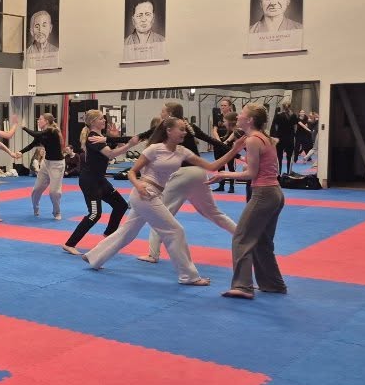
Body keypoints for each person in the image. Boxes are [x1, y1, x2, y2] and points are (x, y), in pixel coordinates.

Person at [83, 117, 244, 284]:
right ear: (169, 131)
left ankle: (94, 257)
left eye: (185, 129)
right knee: (175, 231)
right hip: (144, 194)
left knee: (127, 231)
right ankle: (188, 276)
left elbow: (211, 167)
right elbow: (132, 172)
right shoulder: (154, 149)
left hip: (154, 194)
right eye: (181, 129)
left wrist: (235, 150)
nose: (184, 132)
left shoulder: (182, 151)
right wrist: (138, 185)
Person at [134, 102, 237, 264]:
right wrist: (237, 153)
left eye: (163, 111)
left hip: (182, 175)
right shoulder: (189, 126)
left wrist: (108, 139)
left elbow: (139, 137)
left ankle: (153, 254)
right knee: (214, 212)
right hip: (199, 173)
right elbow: (213, 141)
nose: (161, 114)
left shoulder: (167, 127)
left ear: (169, 113)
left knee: (161, 213)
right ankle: (242, 235)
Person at [209, 104, 288, 299]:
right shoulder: (263, 137)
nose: (238, 116)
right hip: (274, 193)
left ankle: (243, 286)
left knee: (241, 237)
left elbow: (251, 174)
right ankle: (273, 284)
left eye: (242, 114)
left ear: (250, 120)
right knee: (262, 241)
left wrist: (224, 174)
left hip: (264, 193)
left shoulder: (253, 139)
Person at [62, 110, 135, 255]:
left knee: (121, 205)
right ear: (93, 121)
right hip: (90, 181)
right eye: (101, 118)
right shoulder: (92, 137)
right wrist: (129, 145)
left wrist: (115, 138)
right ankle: (69, 244)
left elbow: (111, 151)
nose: (104, 120)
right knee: (95, 214)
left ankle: (109, 235)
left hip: (100, 180)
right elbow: (110, 154)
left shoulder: (101, 137)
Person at [18, 113, 65, 219]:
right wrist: (20, 152)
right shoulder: (42, 134)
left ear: (46, 121)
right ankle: (35, 208)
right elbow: (32, 144)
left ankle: (57, 212)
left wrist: (24, 127)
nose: (38, 121)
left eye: (40, 119)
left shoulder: (52, 131)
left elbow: (35, 134)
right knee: (36, 190)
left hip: (57, 165)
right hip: (46, 163)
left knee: (54, 192)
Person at [213, 111, 243, 194]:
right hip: (223, 144)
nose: (223, 123)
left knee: (231, 167)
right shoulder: (237, 131)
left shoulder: (239, 131)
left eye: (225, 121)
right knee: (220, 166)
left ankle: (231, 186)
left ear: (230, 122)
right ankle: (221, 185)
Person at [270, 102, 298, 174]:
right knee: (289, 156)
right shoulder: (294, 115)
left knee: (279, 156)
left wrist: (278, 133)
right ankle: (289, 172)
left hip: (280, 137)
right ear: (290, 106)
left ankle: (279, 172)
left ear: (282, 107)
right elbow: (295, 127)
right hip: (290, 137)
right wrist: (293, 134)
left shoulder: (278, 115)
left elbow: (276, 127)